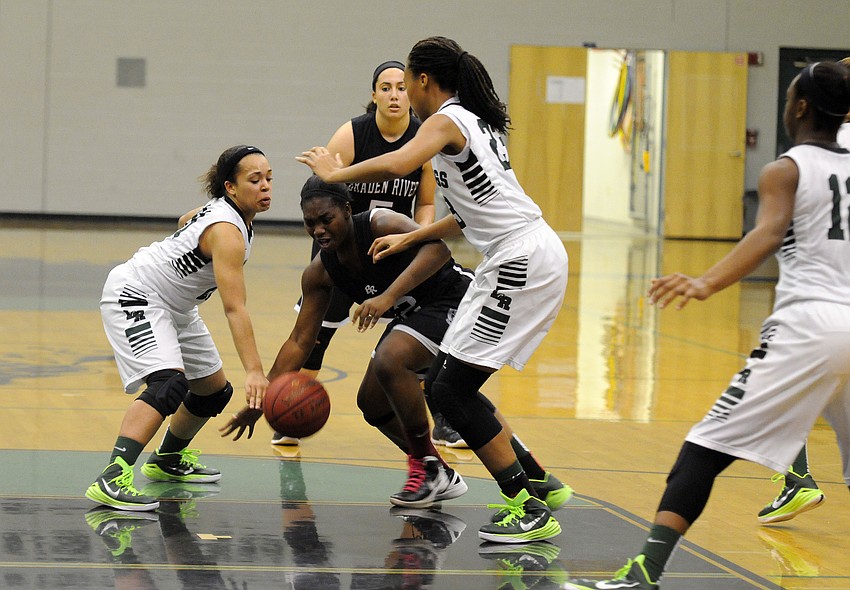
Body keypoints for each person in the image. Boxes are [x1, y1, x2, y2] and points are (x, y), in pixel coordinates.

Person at [562, 61, 850, 589]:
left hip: (810, 325)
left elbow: (765, 236)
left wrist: (705, 282)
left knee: (703, 449)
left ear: (801, 107)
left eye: (788, 96)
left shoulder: (786, 168)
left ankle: (643, 571)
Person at [297, 36, 571, 544]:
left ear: (424, 81)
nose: (405, 91)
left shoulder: (449, 119)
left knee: (449, 389)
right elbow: (466, 216)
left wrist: (337, 173)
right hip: (522, 253)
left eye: (408, 80)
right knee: (447, 379)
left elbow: (397, 164)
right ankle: (537, 480)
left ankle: (527, 505)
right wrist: (414, 234)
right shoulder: (472, 124)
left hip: (520, 260)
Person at [275, 59, 465, 450]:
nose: (394, 94)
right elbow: (321, 194)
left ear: (410, 94)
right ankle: (292, 409)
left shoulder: (423, 136)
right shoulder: (352, 135)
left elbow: (426, 204)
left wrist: (414, 238)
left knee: (419, 338)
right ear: (374, 94)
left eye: (400, 87)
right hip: (343, 250)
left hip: (391, 245)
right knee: (315, 336)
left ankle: (445, 422)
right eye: (386, 87)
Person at [85, 145, 272, 511]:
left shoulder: (232, 216)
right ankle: (112, 477)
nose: (265, 186)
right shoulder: (227, 231)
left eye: (269, 178)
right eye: (255, 179)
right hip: (137, 294)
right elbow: (235, 308)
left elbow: (186, 220)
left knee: (212, 392)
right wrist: (254, 371)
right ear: (230, 187)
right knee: (169, 382)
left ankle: (167, 460)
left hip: (177, 306)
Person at [756, 56, 850, 525]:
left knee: (780, 383)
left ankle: (796, 478)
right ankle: (796, 478)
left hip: (825, 295)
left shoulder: (828, 147)